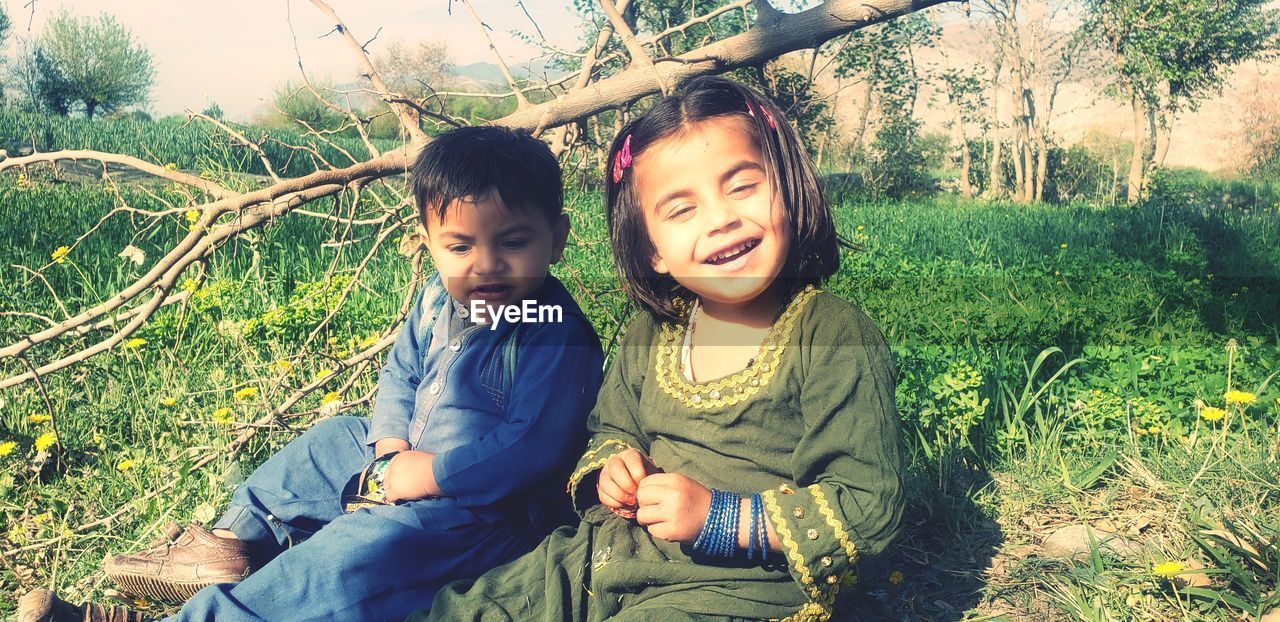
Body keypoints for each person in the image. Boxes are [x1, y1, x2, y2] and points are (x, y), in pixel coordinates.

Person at [18, 125, 604, 622]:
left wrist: (424, 476)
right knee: (333, 440)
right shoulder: (436, 300)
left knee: (352, 555)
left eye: (513, 242)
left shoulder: (553, 332)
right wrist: (389, 445)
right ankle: (232, 543)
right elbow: (401, 373)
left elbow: (527, 449)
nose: (485, 265)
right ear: (428, 243)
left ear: (557, 239)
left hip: (483, 518)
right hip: (407, 465)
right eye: (459, 246)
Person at [417, 76, 905, 622]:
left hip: (741, 586)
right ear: (654, 251)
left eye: (742, 186)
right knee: (470, 609)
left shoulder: (831, 335)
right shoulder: (653, 332)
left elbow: (868, 505)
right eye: (681, 210)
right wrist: (613, 469)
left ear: (790, 188)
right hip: (612, 555)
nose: (720, 219)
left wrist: (718, 517)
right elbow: (611, 430)